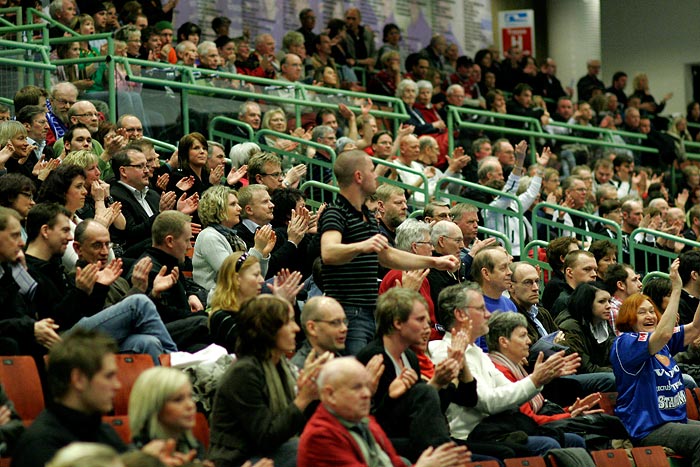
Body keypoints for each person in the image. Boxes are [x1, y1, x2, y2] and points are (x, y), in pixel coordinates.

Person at [320, 151, 459, 354]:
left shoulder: (366, 215)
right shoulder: (336, 212)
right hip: (347, 311)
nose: (375, 175)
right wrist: (362, 246)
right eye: (371, 170)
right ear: (358, 177)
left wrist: (434, 262)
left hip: (369, 310)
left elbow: (388, 256)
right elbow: (329, 252)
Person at [208, 295, 331, 467]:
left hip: (271, 449)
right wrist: (303, 398)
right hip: (238, 459)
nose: (296, 328)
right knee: (305, 450)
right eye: (288, 322)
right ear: (267, 329)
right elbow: (266, 437)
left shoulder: (280, 365)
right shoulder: (244, 372)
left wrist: (311, 393)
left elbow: (297, 422)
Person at [297, 357, 471, 467]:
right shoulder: (320, 436)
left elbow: (394, 463)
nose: (366, 394)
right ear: (329, 394)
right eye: (357, 388)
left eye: (367, 386)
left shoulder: (365, 421)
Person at [611, 259, 700, 464]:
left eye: (652, 311)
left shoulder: (662, 343)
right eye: (641, 312)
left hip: (676, 422)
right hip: (649, 428)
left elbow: (696, 327)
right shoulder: (625, 342)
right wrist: (676, 288)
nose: (649, 315)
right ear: (628, 317)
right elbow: (664, 334)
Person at [192, 185, 273, 292]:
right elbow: (233, 273)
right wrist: (257, 249)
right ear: (218, 209)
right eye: (233, 204)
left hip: (238, 294)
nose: (239, 208)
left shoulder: (235, 238)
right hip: (217, 299)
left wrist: (263, 255)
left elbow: (258, 278)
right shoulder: (209, 237)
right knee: (277, 285)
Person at [129, 367, 206, 460]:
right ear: (153, 407)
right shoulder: (134, 458)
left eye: (190, 397)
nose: (191, 405)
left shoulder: (195, 447)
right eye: (178, 399)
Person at [555, 283, 614, 375]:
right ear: (587, 303)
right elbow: (585, 368)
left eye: (609, 301)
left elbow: (614, 354)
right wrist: (618, 372)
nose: (609, 306)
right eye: (602, 301)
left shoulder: (601, 320)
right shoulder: (570, 326)